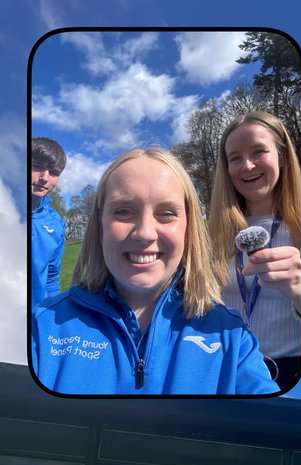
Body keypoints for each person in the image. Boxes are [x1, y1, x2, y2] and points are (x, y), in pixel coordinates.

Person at [32, 148, 277, 396]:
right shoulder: (43, 327)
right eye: (124, 211)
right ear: (100, 226)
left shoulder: (232, 338)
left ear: (188, 229)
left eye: (167, 214)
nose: (145, 233)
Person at [209, 111, 301, 388]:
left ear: (282, 157)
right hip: (223, 370)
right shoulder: (211, 237)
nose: (247, 166)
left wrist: (300, 292)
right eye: (235, 158)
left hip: (289, 370)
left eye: (258, 152)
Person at [30, 137, 67, 307]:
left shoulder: (56, 224)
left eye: (54, 172)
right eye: (37, 166)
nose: (44, 178)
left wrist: (50, 312)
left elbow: (51, 276)